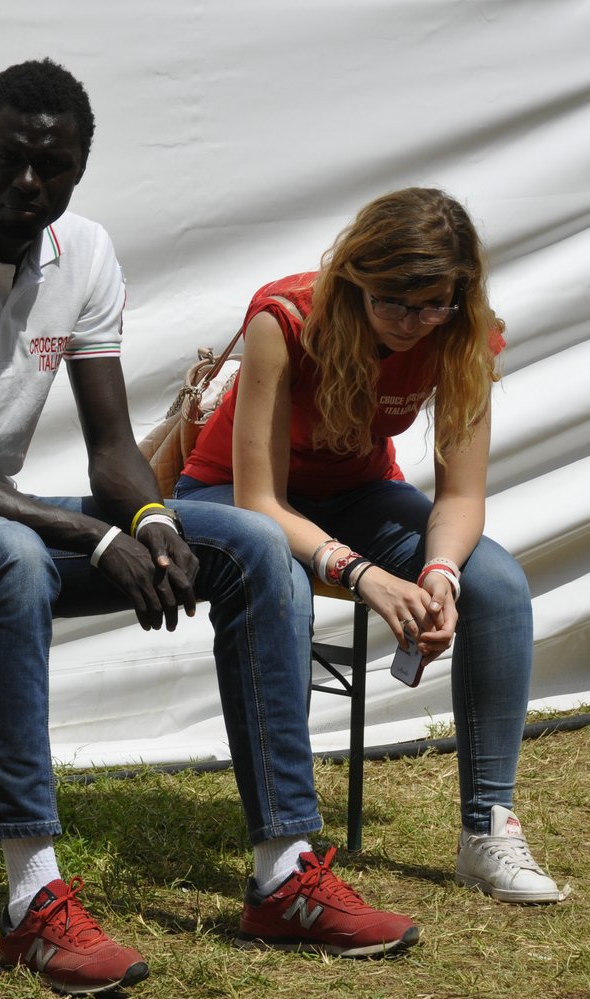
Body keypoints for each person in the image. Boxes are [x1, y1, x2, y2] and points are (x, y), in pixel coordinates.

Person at [0, 58, 419, 994]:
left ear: (80, 169)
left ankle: (284, 872)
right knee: (15, 556)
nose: (26, 185)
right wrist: (93, 537)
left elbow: (111, 445)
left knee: (247, 542)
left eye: (50, 169)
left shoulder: (84, 252)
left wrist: (152, 515)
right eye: (7, 161)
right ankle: (30, 901)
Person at [176, 187, 568, 906]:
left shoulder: (464, 334)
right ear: (355, 278)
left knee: (498, 583)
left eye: (432, 305)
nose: (412, 323)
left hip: (355, 496)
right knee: (281, 580)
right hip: (228, 493)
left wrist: (442, 573)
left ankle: (488, 830)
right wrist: (362, 574)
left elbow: (460, 495)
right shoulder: (286, 318)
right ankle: (285, 844)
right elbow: (259, 501)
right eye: (392, 302)